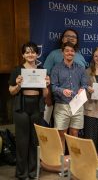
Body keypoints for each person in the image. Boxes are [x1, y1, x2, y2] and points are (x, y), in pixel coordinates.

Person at [9, 42, 50, 180]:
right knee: (22, 141)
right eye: (27, 52)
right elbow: (11, 91)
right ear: (23, 55)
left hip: (37, 107)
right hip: (21, 106)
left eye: (33, 52)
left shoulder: (42, 70)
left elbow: (45, 95)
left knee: (34, 141)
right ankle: (21, 173)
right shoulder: (17, 70)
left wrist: (45, 85)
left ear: (37, 54)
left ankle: (33, 172)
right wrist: (18, 85)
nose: (30, 54)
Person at [43, 28, 87, 127]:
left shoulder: (80, 56)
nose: (70, 38)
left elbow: (84, 79)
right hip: (60, 101)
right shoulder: (53, 54)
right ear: (62, 39)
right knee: (60, 131)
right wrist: (48, 96)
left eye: (73, 37)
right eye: (67, 36)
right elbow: (45, 76)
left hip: (77, 102)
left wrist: (83, 89)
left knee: (74, 132)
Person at [50, 41, 88, 152]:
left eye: (72, 51)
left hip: (77, 104)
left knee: (74, 133)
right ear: (62, 53)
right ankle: (62, 164)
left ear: (75, 53)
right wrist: (62, 91)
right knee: (61, 134)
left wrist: (83, 88)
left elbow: (85, 84)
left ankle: (74, 162)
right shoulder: (56, 68)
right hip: (62, 105)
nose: (69, 53)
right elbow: (53, 87)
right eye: (67, 50)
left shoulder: (80, 68)